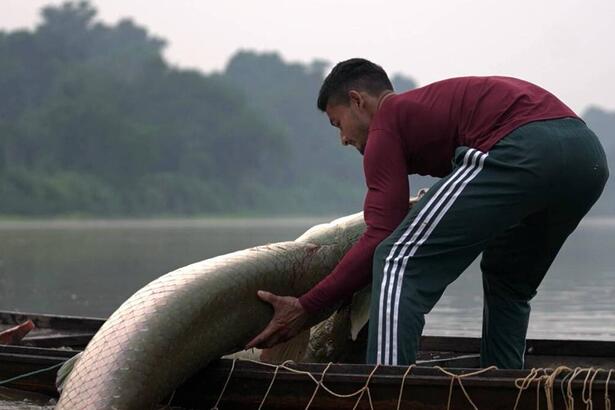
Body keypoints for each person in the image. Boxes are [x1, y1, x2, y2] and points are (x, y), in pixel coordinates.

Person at [245, 58, 609, 368]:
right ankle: (504, 385)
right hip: (587, 157)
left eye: (337, 124)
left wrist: (308, 306)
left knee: (396, 263)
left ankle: (387, 394)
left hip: (524, 146)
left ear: (358, 102)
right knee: (508, 280)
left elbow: (381, 235)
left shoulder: (387, 120)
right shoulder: (423, 111)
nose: (342, 139)